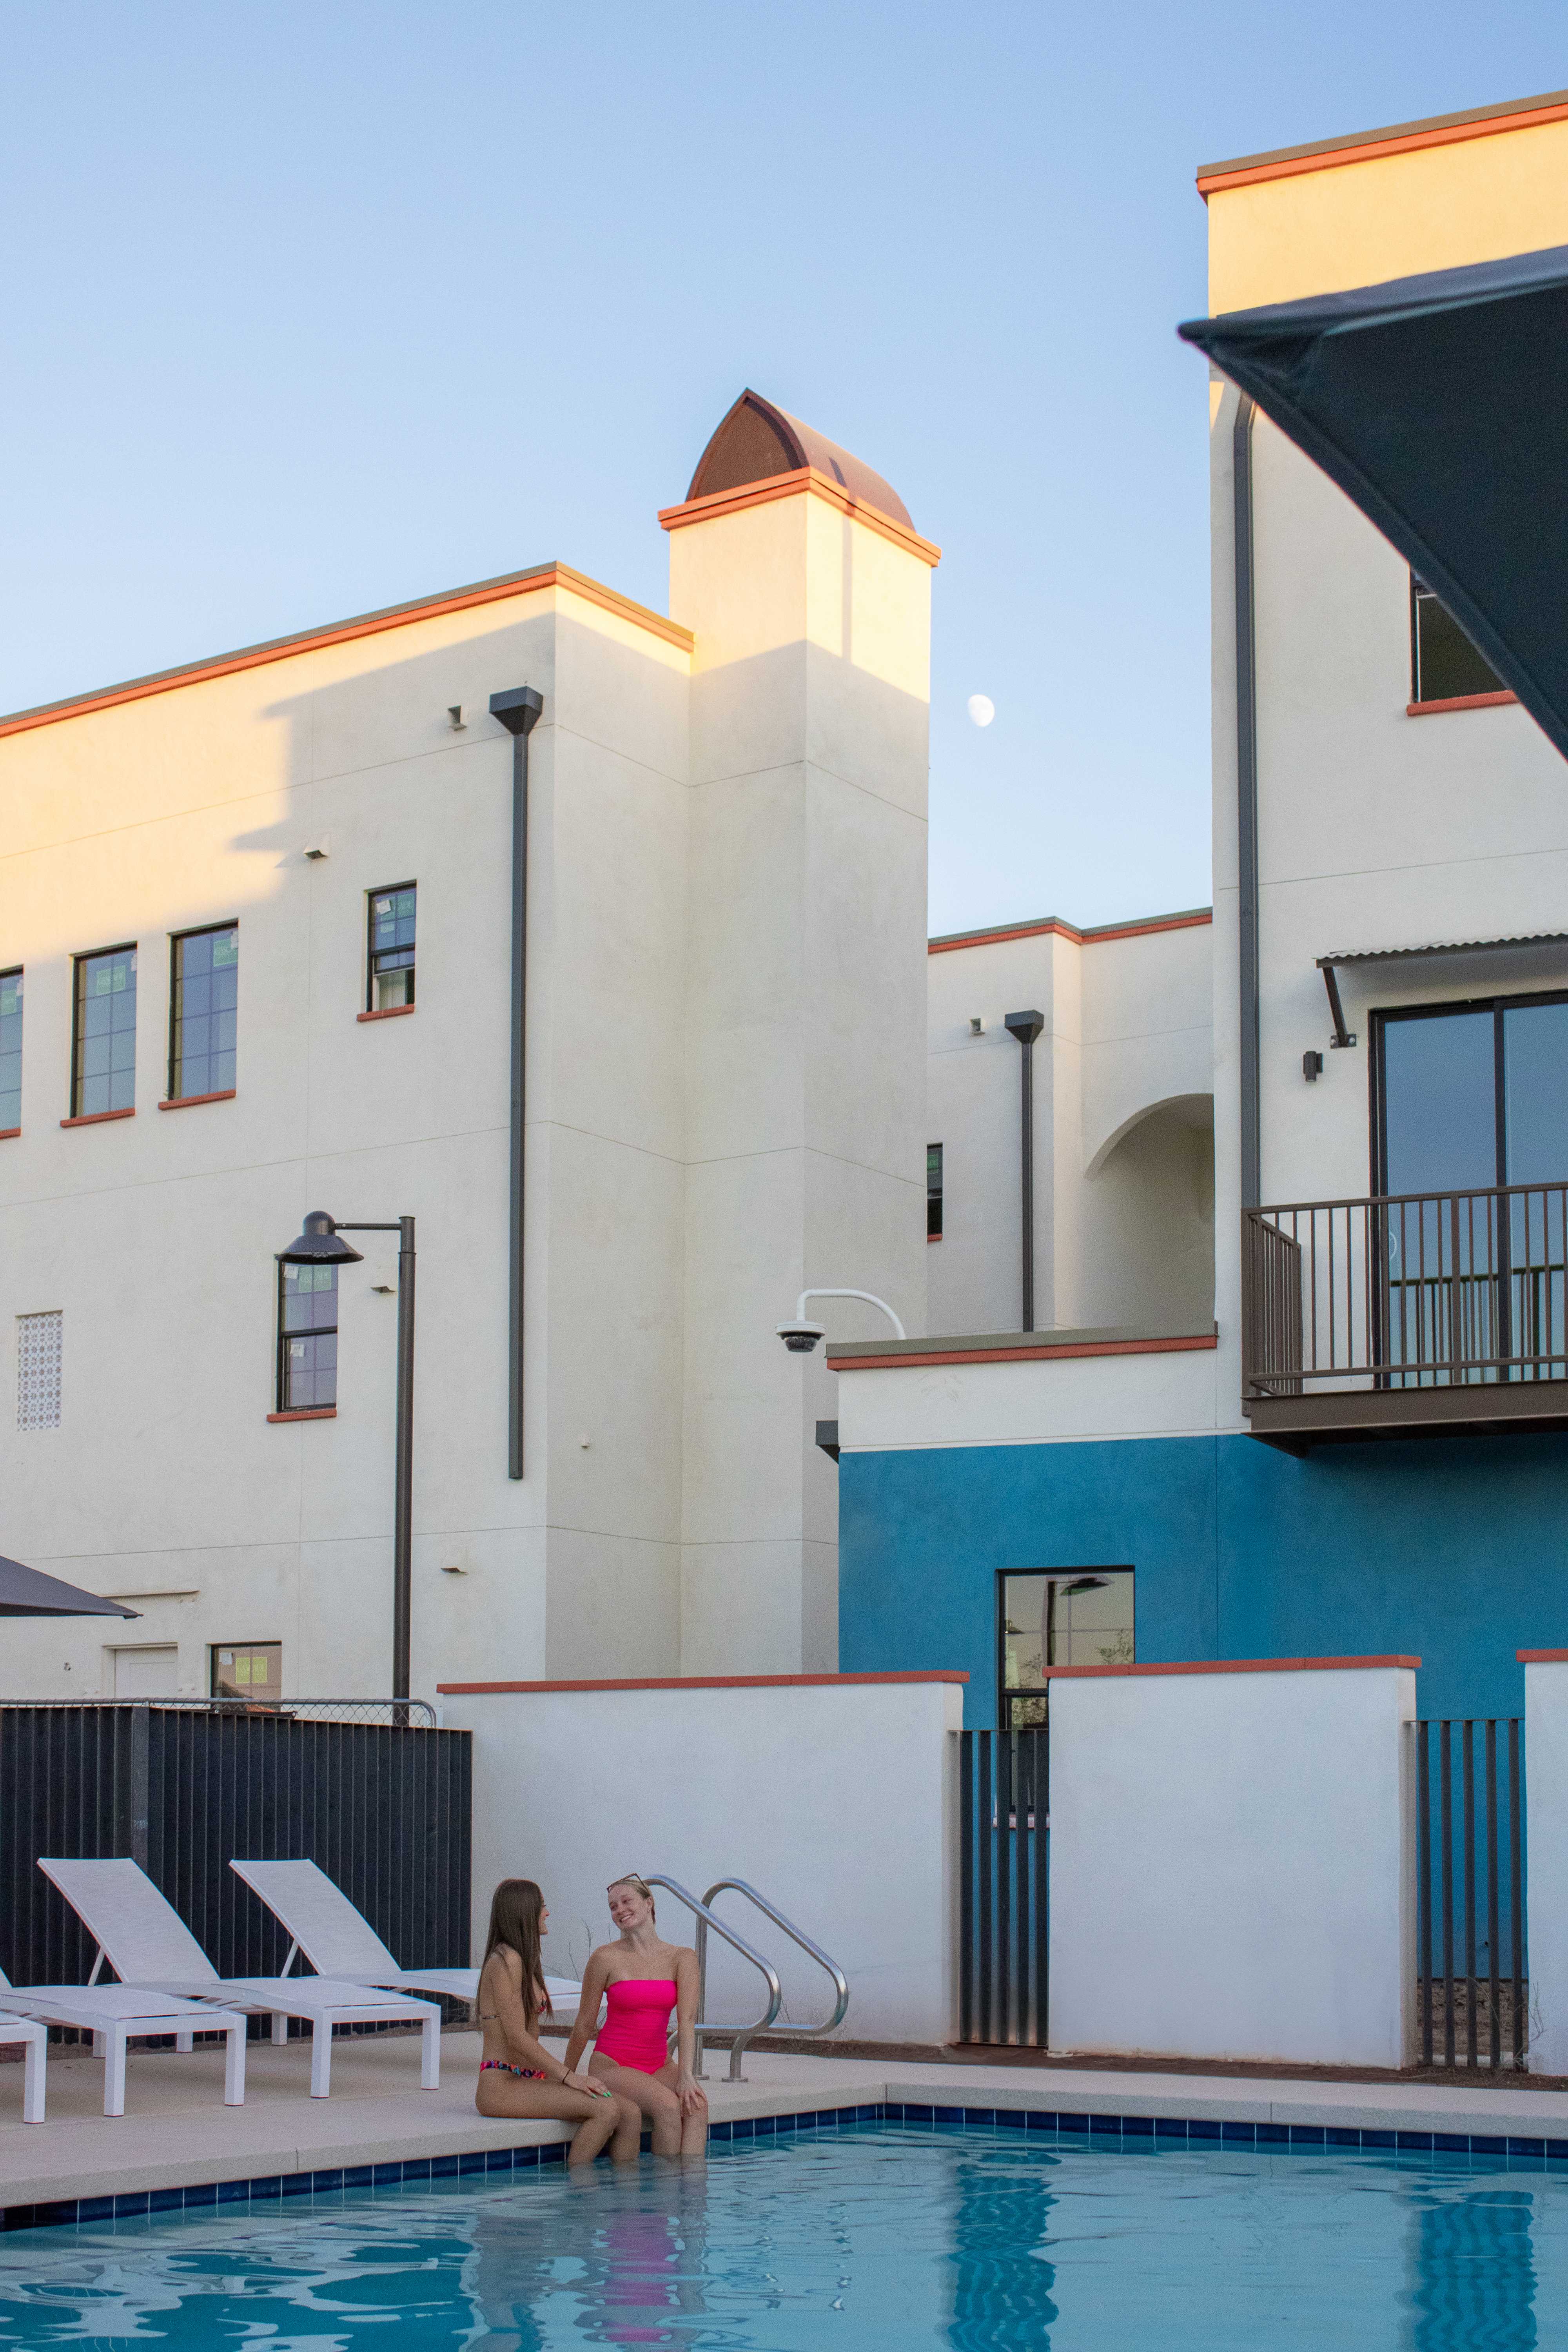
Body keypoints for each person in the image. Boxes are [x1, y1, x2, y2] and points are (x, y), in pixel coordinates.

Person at [474, 1877, 641, 2166]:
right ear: (523, 1912)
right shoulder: (505, 1960)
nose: (547, 1913)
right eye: (542, 1906)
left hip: (526, 2079)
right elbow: (516, 2037)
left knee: (630, 2111)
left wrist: (560, 2077)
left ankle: (626, 2198)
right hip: (501, 2085)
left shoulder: (523, 1960)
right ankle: (576, 2189)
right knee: (606, 2109)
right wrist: (568, 2077)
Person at [563, 1873, 709, 2157]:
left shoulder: (683, 1958)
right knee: (667, 2107)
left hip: (658, 2063)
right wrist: (566, 2076)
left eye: (626, 1901)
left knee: (697, 2105)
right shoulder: (605, 1958)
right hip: (613, 2064)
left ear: (649, 1903)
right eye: (613, 1907)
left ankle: (692, 2196)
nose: (620, 1910)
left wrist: (687, 2076)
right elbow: (584, 2024)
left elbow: (687, 2022)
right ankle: (664, 2197)